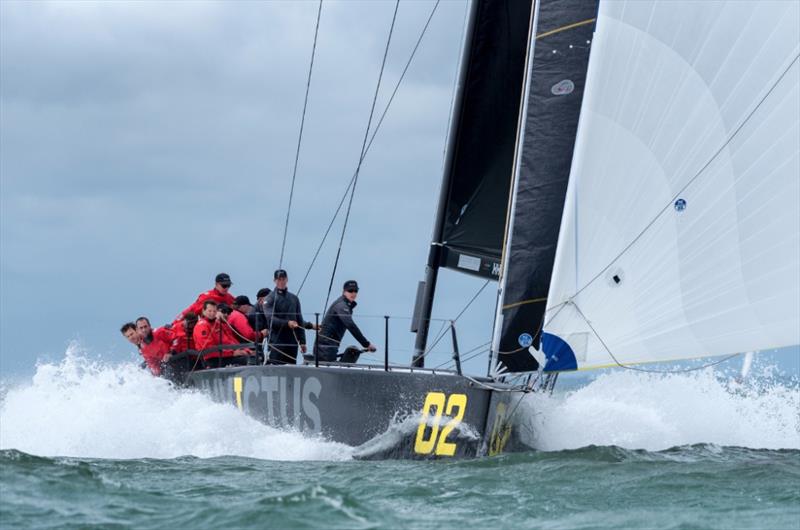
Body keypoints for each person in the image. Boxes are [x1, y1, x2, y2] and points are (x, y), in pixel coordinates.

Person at [314, 280, 376, 363]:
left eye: (355, 291)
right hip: (325, 346)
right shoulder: (341, 305)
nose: (353, 293)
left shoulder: (346, 305)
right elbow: (350, 325)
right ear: (344, 292)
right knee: (328, 372)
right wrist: (366, 344)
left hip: (330, 345)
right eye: (350, 291)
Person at [262, 269, 315, 365]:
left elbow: (299, 320)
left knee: (292, 370)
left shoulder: (294, 298)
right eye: (279, 279)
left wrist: (302, 342)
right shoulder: (269, 299)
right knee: (275, 369)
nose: (281, 282)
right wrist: (287, 323)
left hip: (292, 342)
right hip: (276, 342)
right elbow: (271, 319)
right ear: (274, 281)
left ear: (287, 280)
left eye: (283, 279)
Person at [193, 300, 247, 368]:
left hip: (224, 355)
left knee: (249, 357)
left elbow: (229, 340)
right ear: (203, 311)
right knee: (242, 361)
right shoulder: (201, 326)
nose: (212, 313)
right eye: (209, 311)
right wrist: (232, 353)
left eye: (214, 311)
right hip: (211, 359)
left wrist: (245, 350)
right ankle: (238, 378)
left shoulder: (218, 324)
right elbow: (209, 349)